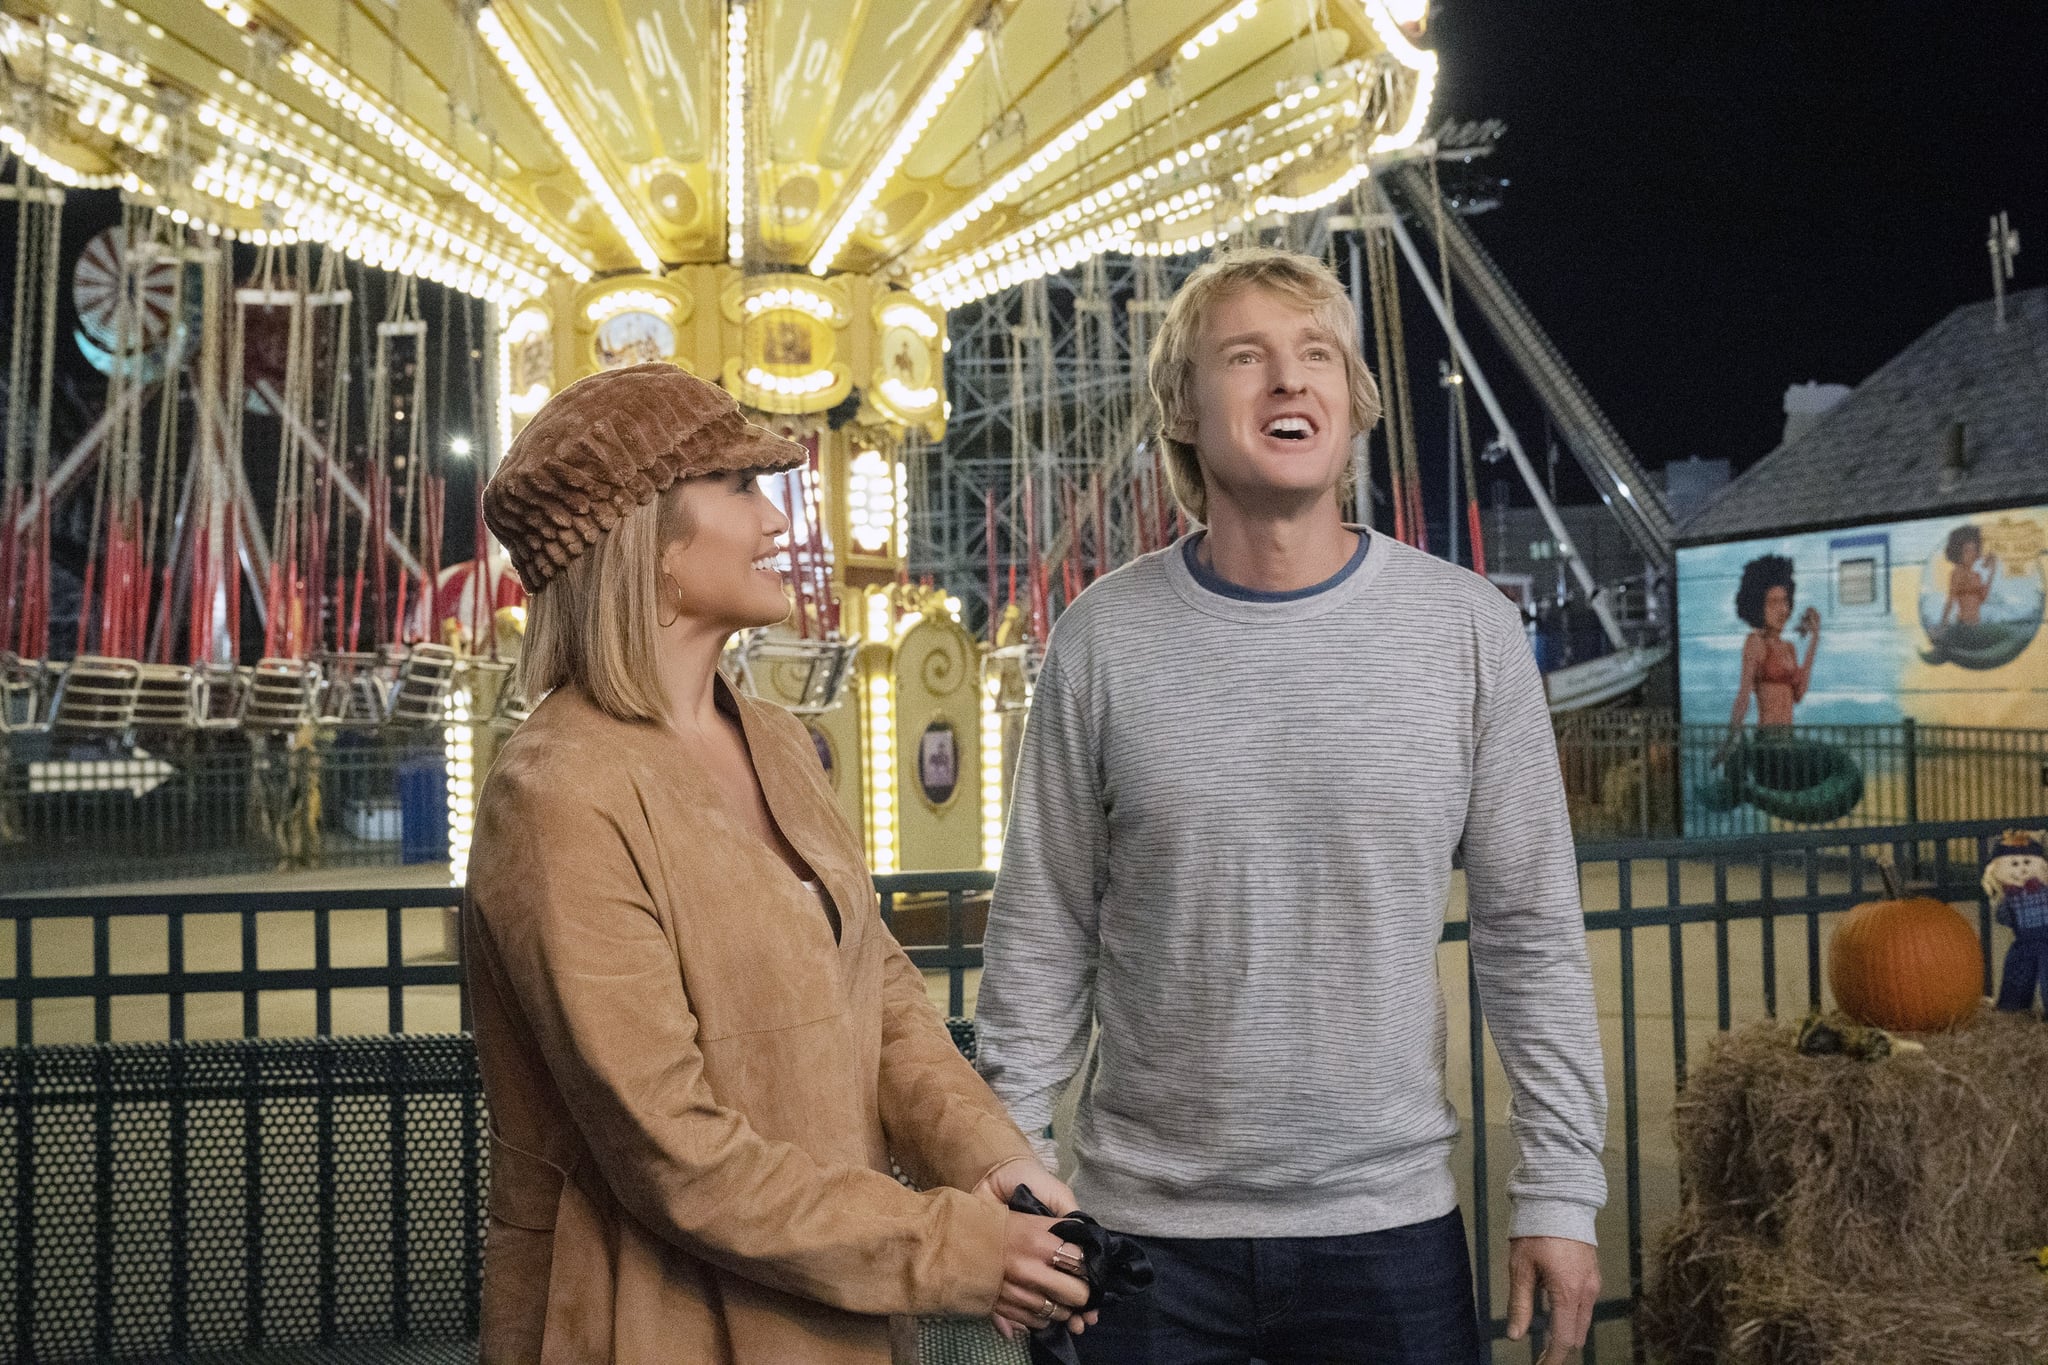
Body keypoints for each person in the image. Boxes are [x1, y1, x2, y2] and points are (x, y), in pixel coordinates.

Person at [975, 248, 1608, 1365]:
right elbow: (1043, 932)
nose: (1289, 379)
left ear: (1353, 402)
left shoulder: (1465, 634)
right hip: (1144, 1241)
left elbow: (1529, 934)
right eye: (1246, 356)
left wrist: (1558, 1190)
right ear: (1180, 405)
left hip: (1386, 1229)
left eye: (1317, 354)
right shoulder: (1100, 642)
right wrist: (1018, 1178)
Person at [466, 362, 1093, 1365]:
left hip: (832, 1308)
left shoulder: (774, 741)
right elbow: (674, 1154)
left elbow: (882, 1001)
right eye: (739, 487)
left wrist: (990, 1166)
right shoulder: (556, 794)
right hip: (652, 1322)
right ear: (642, 533)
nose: (776, 518)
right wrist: (954, 1249)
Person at [1717, 553, 1819, 762]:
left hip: (1788, 737)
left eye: (1784, 602)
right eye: (1773, 603)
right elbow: (1743, 696)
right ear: (1757, 606)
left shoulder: (1789, 648)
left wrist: (1814, 640)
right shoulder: (1755, 643)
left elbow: (1798, 694)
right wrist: (1729, 741)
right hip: (1768, 740)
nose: (1782, 610)